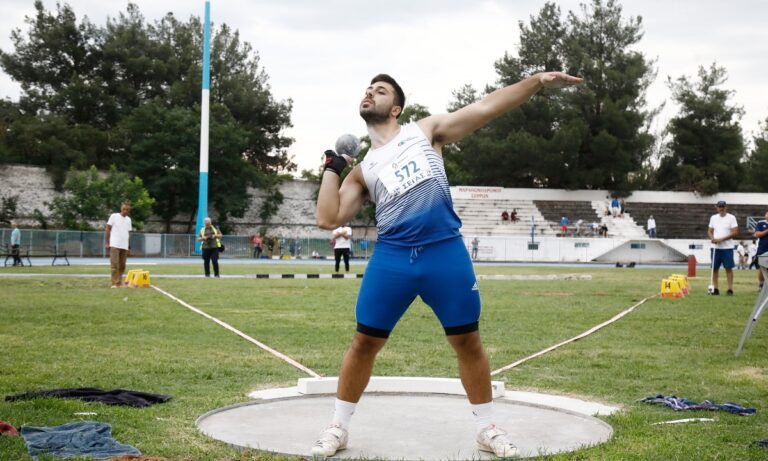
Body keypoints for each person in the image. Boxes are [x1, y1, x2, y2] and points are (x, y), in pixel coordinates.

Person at [314, 71, 582, 457]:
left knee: (467, 340)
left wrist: (536, 82)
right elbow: (328, 218)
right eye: (368, 89)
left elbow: (487, 108)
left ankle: (487, 428)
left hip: (444, 252)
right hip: (393, 258)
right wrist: (332, 166)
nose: (370, 92)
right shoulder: (363, 169)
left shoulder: (426, 131)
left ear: (397, 108)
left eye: (381, 90)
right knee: (364, 342)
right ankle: (337, 427)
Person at [707, 201, 738, 296]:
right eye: (720, 207)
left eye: (723, 207)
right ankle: (715, 288)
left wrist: (721, 239)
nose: (721, 208)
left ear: (726, 207)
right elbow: (709, 231)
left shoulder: (731, 217)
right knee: (714, 269)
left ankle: (730, 289)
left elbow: (735, 232)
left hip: (727, 248)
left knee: (728, 268)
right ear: (717, 207)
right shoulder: (713, 218)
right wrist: (712, 238)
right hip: (715, 248)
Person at [105, 202, 132, 288]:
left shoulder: (129, 220)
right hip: (114, 244)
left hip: (124, 245)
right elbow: (108, 229)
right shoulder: (114, 216)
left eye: (127, 209)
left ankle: (119, 282)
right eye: (124, 209)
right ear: (121, 208)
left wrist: (128, 246)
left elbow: (128, 233)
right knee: (115, 265)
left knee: (122, 265)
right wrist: (107, 242)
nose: (125, 211)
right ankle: (114, 283)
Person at [753, 211, 768, 291]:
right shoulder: (761, 223)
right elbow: (757, 234)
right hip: (763, 249)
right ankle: (761, 284)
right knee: (762, 268)